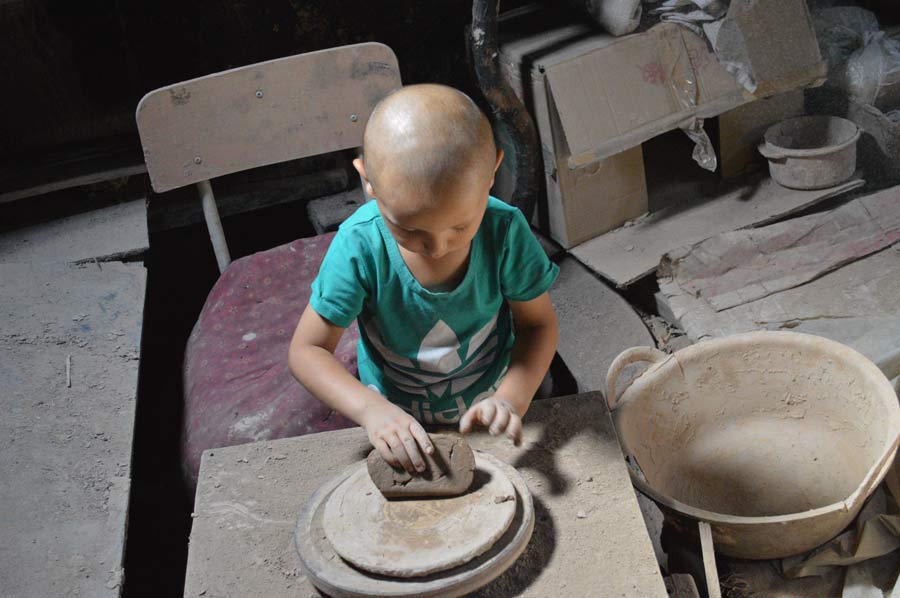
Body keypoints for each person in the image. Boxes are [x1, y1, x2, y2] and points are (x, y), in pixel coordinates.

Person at [288, 83, 559, 475]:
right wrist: (371, 410)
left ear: (492, 174)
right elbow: (306, 351)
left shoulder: (505, 231)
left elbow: (538, 324)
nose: (437, 247)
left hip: (495, 404)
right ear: (367, 181)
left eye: (460, 227)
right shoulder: (359, 245)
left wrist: (511, 399)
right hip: (396, 420)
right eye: (409, 230)